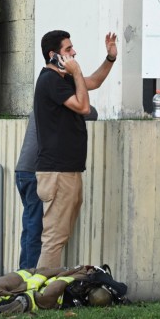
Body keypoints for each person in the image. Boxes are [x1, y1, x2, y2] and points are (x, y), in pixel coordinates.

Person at [33, 30, 117, 268]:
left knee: (59, 237)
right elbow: (83, 106)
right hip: (57, 172)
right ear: (53, 55)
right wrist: (77, 71)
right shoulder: (50, 80)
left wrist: (110, 58)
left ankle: (46, 290)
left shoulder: (62, 79)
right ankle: (42, 295)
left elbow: (94, 82)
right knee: (54, 239)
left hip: (67, 171)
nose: (74, 52)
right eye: (68, 50)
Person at [15, 106, 97, 270]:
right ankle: (31, 275)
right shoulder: (60, 105)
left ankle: (23, 273)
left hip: (23, 171)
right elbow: (91, 112)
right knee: (37, 229)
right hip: (36, 173)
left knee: (30, 227)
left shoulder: (42, 105)